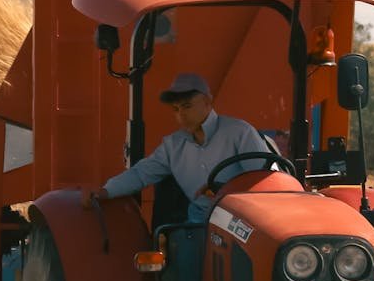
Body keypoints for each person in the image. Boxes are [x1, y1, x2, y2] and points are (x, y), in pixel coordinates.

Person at [86, 72, 275, 221]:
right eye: (176, 110)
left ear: (207, 102)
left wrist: (223, 189)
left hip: (239, 224)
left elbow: (262, 182)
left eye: (187, 106)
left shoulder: (239, 132)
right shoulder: (172, 146)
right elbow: (140, 174)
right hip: (196, 225)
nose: (181, 115)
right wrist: (105, 191)